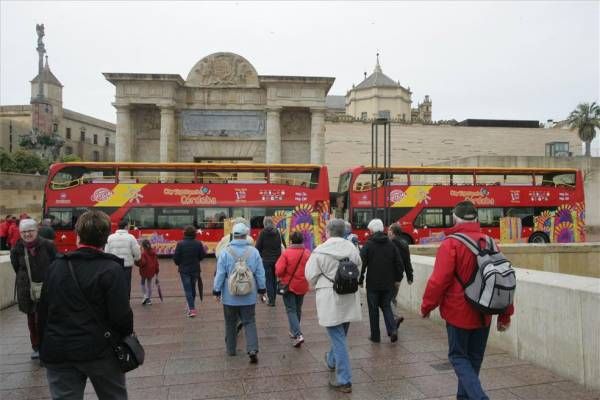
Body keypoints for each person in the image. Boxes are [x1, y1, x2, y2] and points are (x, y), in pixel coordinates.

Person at [421, 201, 514, 400]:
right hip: (485, 311)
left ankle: (479, 397)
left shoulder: (451, 243)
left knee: (458, 357)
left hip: (458, 312)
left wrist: (427, 306)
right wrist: (505, 315)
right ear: (476, 219)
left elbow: (438, 281)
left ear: (455, 218)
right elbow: (503, 278)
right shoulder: (490, 242)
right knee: (474, 359)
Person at [38, 209, 133, 400]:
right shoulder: (111, 269)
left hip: (60, 350)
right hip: (101, 351)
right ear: (106, 238)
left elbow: (43, 312)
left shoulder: (56, 266)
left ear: (77, 236)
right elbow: (121, 316)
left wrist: (44, 344)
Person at [305, 219, 362, 393]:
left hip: (330, 297)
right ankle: (331, 360)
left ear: (328, 232)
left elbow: (309, 275)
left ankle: (344, 380)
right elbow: (358, 268)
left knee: (338, 338)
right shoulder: (352, 248)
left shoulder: (320, 251)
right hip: (349, 295)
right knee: (340, 333)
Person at [213, 222, 266, 363]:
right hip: (249, 296)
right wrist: (262, 290)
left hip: (230, 297)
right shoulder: (254, 252)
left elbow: (220, 274)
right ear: (246, 235)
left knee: (230, 323)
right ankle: (252, 349)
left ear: (233, 235)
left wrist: (217, 291)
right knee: (249, 321)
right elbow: (260, 273)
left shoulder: (225, 252)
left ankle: (231, 350)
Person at [9, 218, 57, 360]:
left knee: (46, 318)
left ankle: (47, 345)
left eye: (30, 231)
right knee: (32, 319)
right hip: (27, 289)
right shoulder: (17, 248)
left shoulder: (48, 245)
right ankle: (36, 346)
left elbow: (56, 263)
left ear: (37, 231)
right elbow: (16, 267)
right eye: (24, 231)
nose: (27, 234)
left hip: (46, 287)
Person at [359, 218, 404, 343]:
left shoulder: (368, 245)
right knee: (386, 306)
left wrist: (360, 279)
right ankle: (392, 330)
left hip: (373, 284)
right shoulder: (391, 244)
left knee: (373, 310)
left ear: (372, 230)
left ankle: (375, 336)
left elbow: (361, 264)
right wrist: (397, 279)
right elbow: (399, 264)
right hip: (388, 283)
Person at [275, 231, 310, 347]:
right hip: (302, 285)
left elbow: (279, 271)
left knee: (291, 310)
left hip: (289, 286)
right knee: (298, 309)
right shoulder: (307, 253)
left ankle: (298, 334)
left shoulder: (286, 253)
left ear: (291, 241)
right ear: (302, 241)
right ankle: (293, 330)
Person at [173, 225, 206, 317]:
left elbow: (176, 258)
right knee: (192, 288)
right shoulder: (198, 243)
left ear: (185, 233)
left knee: (188, 290)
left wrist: (179, 264)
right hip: (195, 269)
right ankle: (191, 306)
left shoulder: (180, 244)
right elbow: (202, 256)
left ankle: (192, 309)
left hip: (184, 270)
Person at [104, 220, 141, 299]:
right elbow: (137, 251)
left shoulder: (110, 237)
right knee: (126, 284)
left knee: (114, 284)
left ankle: (115, 300)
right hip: (126, 265)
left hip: (113, 265)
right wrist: (137, 259)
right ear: (126, 227)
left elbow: (106, 252)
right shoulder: (131, 237)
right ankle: (125, 302)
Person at [255, 216, 285, 306]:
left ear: (264, 223)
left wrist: (262, 255)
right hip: (277, 260)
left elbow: (257, 248)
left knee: (268, 280)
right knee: (275, 280)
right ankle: (274, 299)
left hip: (266, 261)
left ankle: (271, 301)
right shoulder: (278, 232)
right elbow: (284, 245)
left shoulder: (262, 233)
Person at [388, 222, 414, 327]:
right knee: (393, 298)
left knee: (387, 299)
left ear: (393, 232)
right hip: (400, 276)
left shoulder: (391, 244)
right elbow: (407, 261)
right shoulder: (404, 243)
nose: (387, 231)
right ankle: (393, 322)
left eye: (389, 229)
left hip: (391, 275)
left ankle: (395, 317)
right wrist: (409, 276)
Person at [136, 239, 160, 305]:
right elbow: (156, 263)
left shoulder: (143, 254)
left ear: (143, 246)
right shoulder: (154, 253)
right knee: (149, 284)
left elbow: (143, 263)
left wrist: (137, 262)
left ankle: (145, 296)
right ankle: (149, 299)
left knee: (142, 282)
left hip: (144, 271)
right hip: (152, 271)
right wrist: (157, 271)